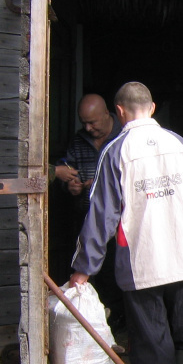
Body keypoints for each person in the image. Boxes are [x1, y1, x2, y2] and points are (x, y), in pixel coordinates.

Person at [70, 82, 183, 364]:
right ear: (151, 108)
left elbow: (101, 215)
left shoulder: (116, 151)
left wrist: (83, 268)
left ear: (119, 112)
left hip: (143, 263)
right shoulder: (179, 144)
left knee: (152, 339)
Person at [54, 94, 124, 328]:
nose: (88, 127)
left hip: (117, 223)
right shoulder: (78, 141)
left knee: (115, 272)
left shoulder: (124, 136)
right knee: (90, 275)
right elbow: (67, 170)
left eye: (93, 122)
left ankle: (118, 320)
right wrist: (70, 186)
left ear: (108, 114)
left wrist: (102, 183)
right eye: (84, 122)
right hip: (84, 218)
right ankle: (95, 322)